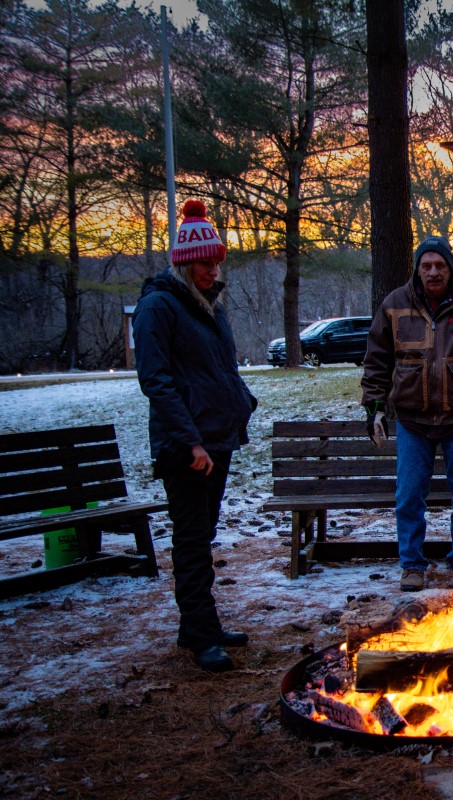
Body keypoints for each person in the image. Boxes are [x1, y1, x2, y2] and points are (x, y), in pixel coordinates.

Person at [132, 199, 257, 674]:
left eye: (217, 262)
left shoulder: (208, 306)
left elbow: (219, 369)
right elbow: (156, 381)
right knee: (190, 540)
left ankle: (197, 625)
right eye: (206, 263)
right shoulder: (158, 307)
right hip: (186, 448)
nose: (213, 270)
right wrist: (191, 443)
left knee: (203, 535)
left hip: (216, 440)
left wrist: (241, 402)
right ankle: (202, 636)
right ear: (185, 263)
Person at [361, 235, 453, 592]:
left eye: (439, 265)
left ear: (450, 266)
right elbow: (377, 359)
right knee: (409, 496)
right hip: (412, 420)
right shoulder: (395, 304)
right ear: (417, 269)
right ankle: (412, 565)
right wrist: (376, 408)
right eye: (426, 266)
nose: (433, 272)